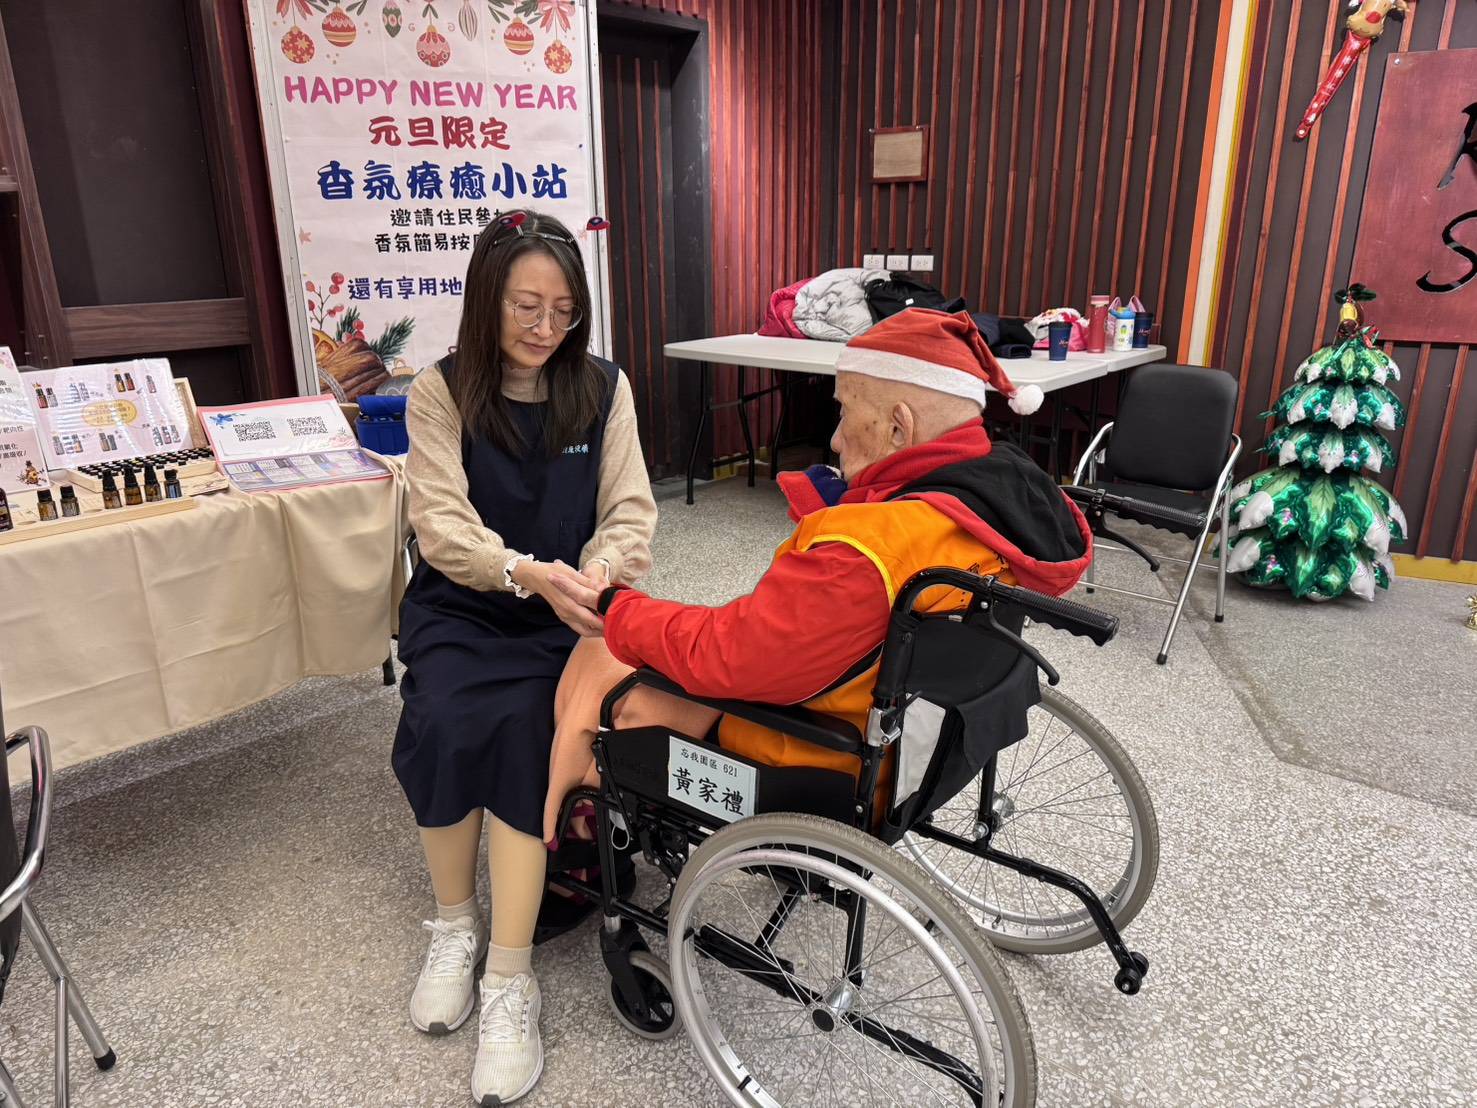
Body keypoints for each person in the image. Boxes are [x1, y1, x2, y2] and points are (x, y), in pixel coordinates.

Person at [545, 308, 1091, 803]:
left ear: (899, 426)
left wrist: (618, 606)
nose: (834, 439)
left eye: (844, 412)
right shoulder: (1001, 502)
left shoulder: (864, 550)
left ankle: (578, 818)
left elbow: (730, 656)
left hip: (806, 763)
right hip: (922, 749)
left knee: (600, 661)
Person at [393, 209, 655, 1106]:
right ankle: (453, 927)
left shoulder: (604, 388)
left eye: (563, 310)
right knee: (440, 717)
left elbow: (629, 510)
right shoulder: (441, 391)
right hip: (465, 603)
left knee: (524, 730)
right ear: (485, 299)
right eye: (525, 307)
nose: (546, 328)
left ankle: (510, 976)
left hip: (567, 613)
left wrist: (596, 572)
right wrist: (520, 572)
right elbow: (441, 524)